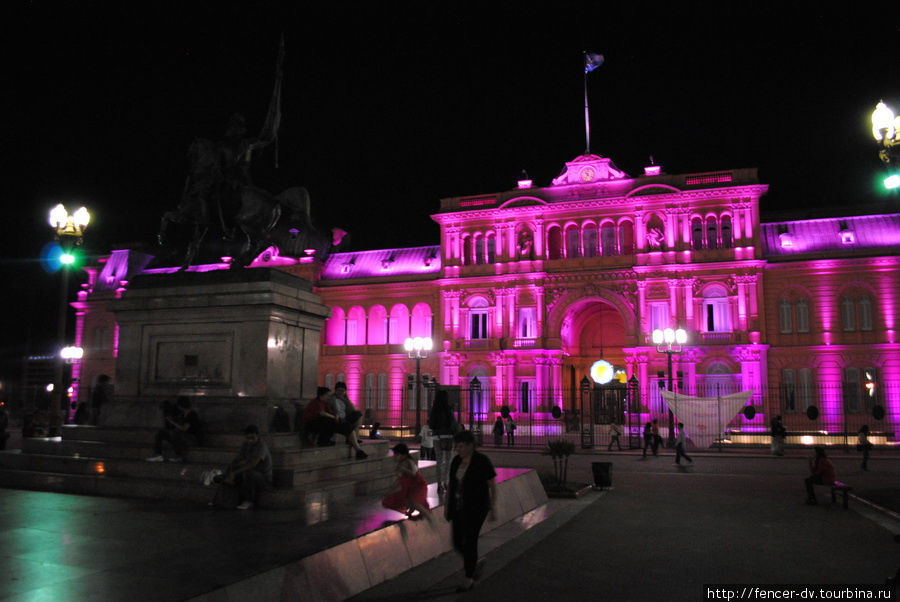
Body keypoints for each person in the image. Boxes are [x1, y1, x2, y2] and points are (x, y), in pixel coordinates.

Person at [446, 430, 497, 592]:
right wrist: (448, 505)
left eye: (460, 446)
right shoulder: (456, 461)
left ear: (470, 446)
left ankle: (468, 578)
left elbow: (492, 485)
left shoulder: (482, 461)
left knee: (470, 539)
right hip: (458, 507)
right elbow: (452, 485)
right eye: (456, 446)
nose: (457, 449)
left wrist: (493, 507)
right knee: (456, 541)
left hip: (477, 507)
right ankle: (473, 563)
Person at [219, 425, 272, 510]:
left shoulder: (261, 446)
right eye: (247, 438)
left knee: (248, 473)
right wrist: (230, 470)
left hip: (263, 477)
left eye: (252, 438)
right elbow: (238, 459)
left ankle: (249, 501)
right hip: (249, 472)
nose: (250, 440)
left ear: (257, 436)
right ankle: (225, 499)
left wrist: (234, 473)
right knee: (230, 471)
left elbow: (253, 464)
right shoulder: (245, 445)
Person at [381, 443, 432, 522]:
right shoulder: (400, 465)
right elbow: (399, 479)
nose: (394, 457)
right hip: (411, 487)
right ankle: (412, 513)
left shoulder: (409, 462)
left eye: (396, 455)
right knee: (401, 501)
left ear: (404, 455)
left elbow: (414, 474)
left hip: (418, 485)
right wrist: (390, 490)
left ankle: (429, 517)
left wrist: (403, 469)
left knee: (415, 502)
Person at [147, 397, 202, 463]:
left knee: (175, 432)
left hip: (192, 439)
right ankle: (158, 455)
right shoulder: (183, 414)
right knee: (161, 433)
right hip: (182, 438)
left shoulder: (192, 414)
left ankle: (179, 456)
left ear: (181, 406)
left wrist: (172, 422)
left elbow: (184, 428)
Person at [428, 389, 456, 494]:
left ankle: (439, 484)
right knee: (448, 461)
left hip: (436, 438)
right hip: (447, 438)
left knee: (439, 462)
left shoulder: (434, 411)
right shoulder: (447, 410)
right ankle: (446, 482)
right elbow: (452, 424)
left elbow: (431, 425)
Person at [331, 382, 367, 460]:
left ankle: (355, 437)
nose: (340, 393)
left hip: (345, 418)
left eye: (343, 391)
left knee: (358, 414)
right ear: (335, 390)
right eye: (339, 390)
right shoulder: (332, 399)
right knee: (347, 425)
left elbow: (353, 409)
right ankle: (354, 442)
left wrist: (345, 400)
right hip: (338, 419)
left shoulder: (345, 399)